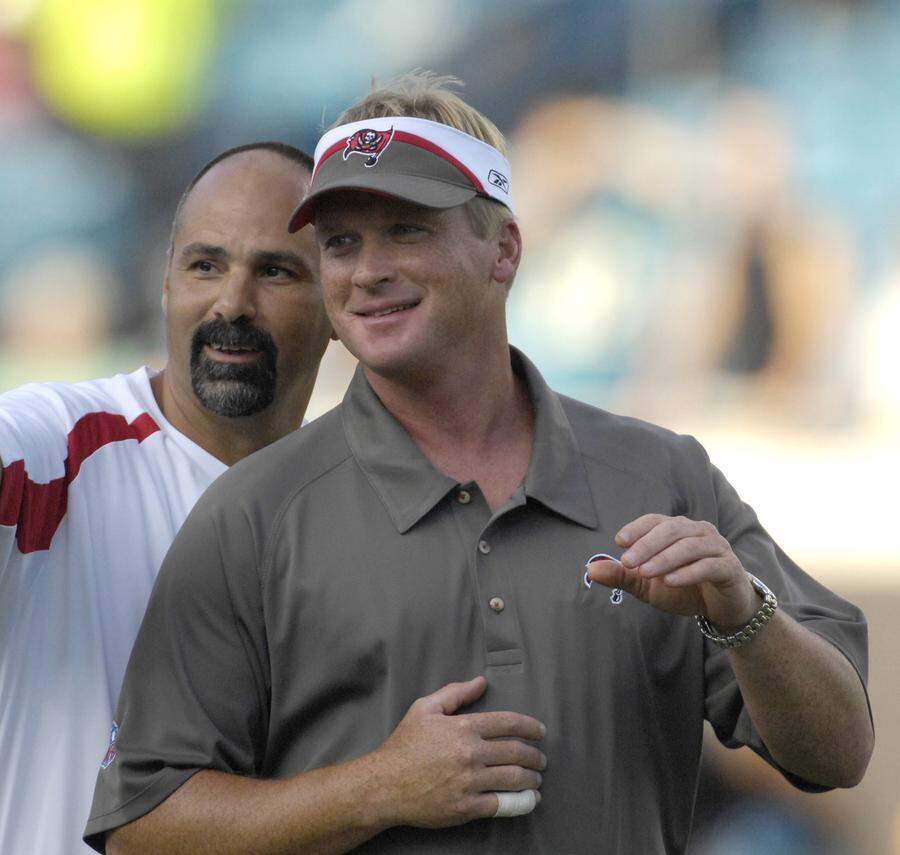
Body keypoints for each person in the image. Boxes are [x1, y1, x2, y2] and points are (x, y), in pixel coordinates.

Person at [85, 75, 874, 854]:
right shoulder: (253, 514)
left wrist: (745, 616)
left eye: (406, 230)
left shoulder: (661, 473)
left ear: (503, 250)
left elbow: (840, 751)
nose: (367, 271)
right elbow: (142, 827)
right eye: (340, 242)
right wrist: (374, 788)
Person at [0, 142, 333, 855]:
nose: (232, 302)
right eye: (205, 264)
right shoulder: (67, 444)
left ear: (339, 299)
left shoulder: (357, 514)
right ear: (164, 284)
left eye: (276, 271)